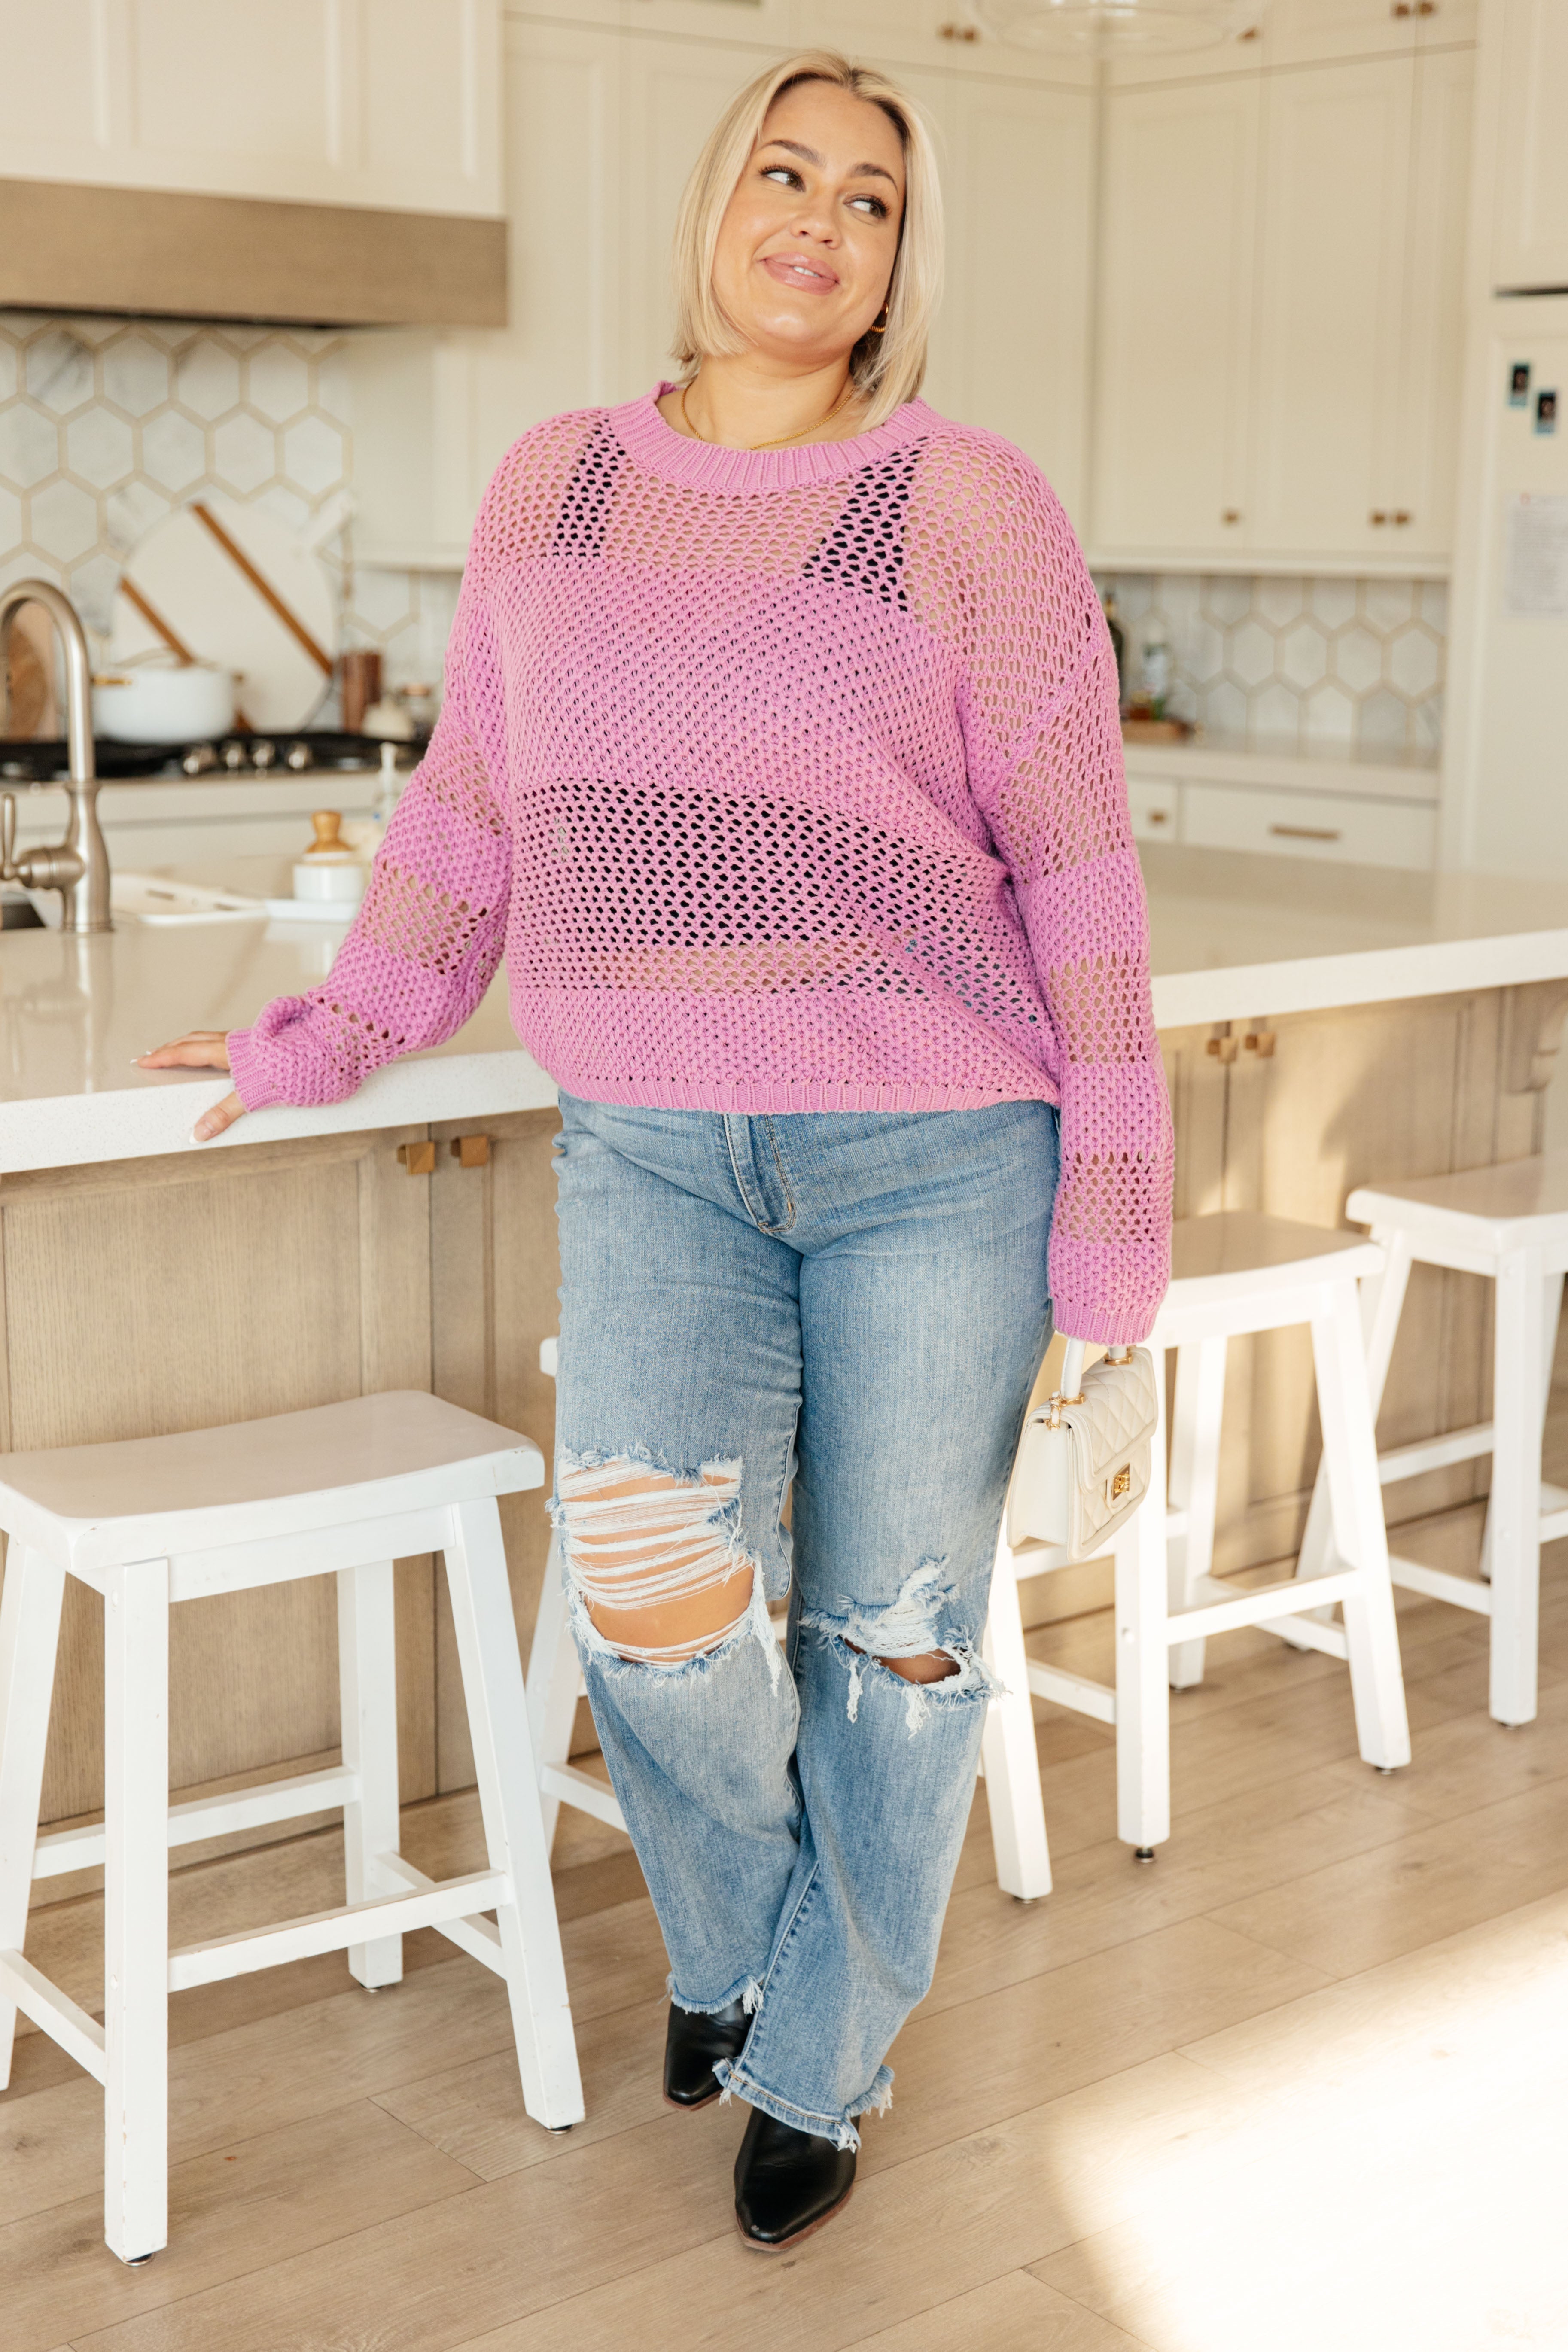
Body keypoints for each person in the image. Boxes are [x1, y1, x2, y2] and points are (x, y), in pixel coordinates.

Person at [142, 49, 1173, 2254]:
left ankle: (819, 2047)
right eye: (783, 173)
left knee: (894, 1636)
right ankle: (752, 1943)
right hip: (651, 1142)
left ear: (902, 261)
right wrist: (333, 1022)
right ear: (713, 208)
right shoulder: (559, 487)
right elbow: (468, 817)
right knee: (654, 1608)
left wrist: (1116, 1190)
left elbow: (1079, 867)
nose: (817, 218)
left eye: (870, 198)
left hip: (936, 1149)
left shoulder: (968, 504)